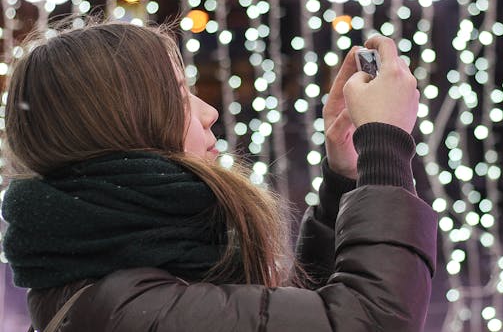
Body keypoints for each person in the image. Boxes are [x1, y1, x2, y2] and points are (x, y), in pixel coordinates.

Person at [0, 21, 436, 331]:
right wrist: (386, 143)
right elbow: (369, 321)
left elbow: (289, 315)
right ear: (124, 124)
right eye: (176, 96)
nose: (208, 113)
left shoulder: (123, 266)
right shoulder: (125, 308)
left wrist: (349, 174)